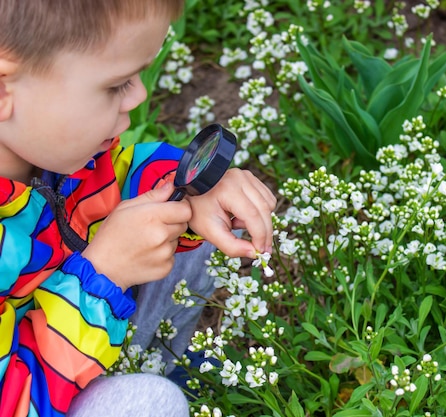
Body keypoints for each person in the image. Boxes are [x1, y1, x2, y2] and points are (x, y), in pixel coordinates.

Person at [0, 1, 277, 416]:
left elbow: (112, 181)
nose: (141, 95)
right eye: (116, 84)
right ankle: (154, 382)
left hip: (74, 330)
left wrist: (187, 188)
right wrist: (102, 277)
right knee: (150, 404)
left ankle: (165, 363)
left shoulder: (47, 152)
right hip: (32, 393)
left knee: (198, 208)